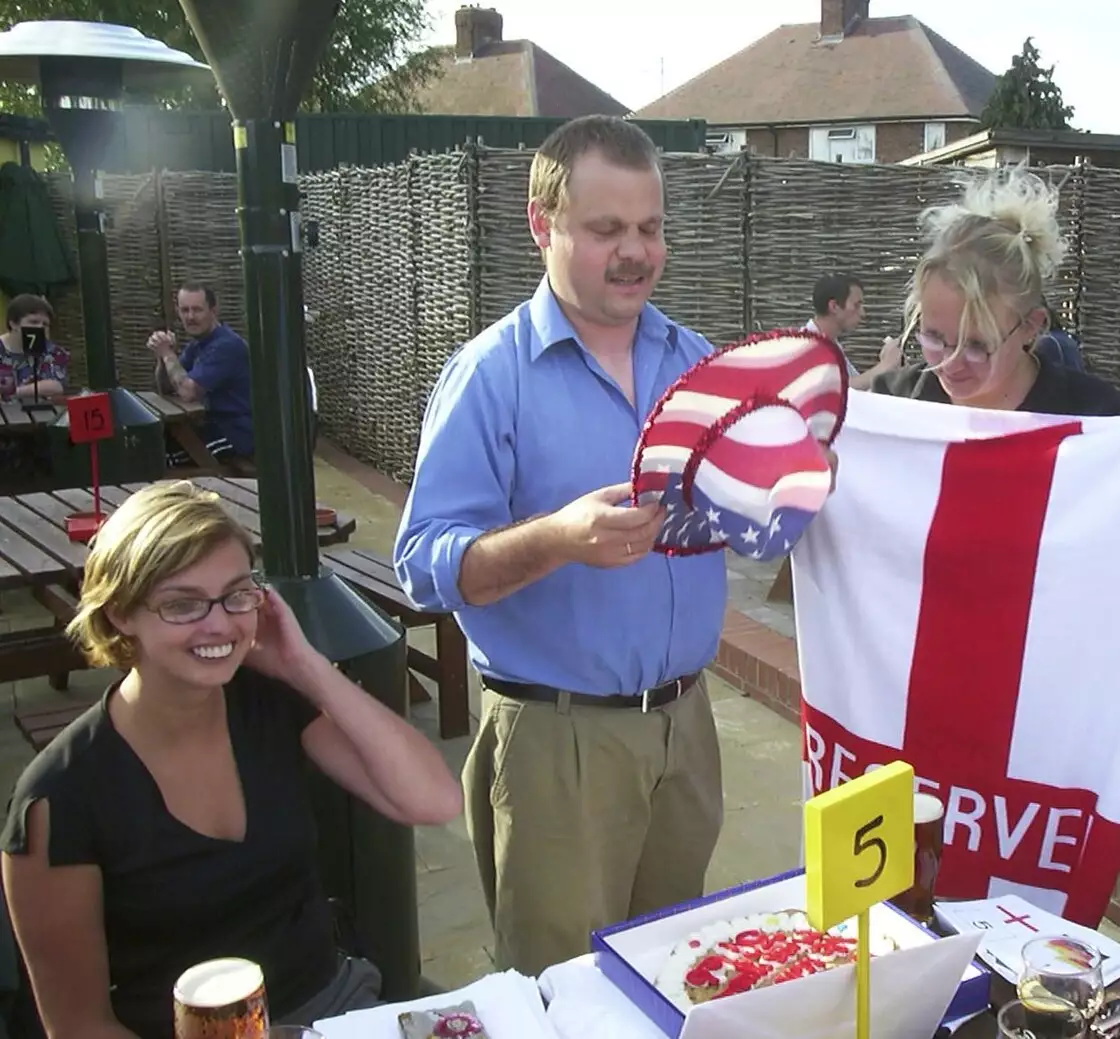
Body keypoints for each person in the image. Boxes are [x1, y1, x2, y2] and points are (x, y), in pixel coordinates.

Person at [396, 114, 780, 977]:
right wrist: (557, 539)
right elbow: (422, 564)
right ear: (544, 224)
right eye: (607, 229)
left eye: (650, 228)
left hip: (686, 728)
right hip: (555, 743)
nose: (636, 251)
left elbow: (754, 506)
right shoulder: (491, 375)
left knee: (675, 973)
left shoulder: (699, 366)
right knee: (561, 996)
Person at [2, 482, 462, 1039]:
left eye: (237, 595)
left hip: (334, 1006)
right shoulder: (60, 798)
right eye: (183, 604)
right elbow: (78, 1025)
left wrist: (305, 667)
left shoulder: (269, 705)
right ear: (121, 613)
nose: (218, 624)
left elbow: (432, 799)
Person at [871, 166, 1120, 434]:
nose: (950, 363)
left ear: (1030, 327)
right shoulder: (887, 407)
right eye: (934, 337)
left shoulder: (1098, 419)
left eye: (976, 345)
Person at [145, 283, 254, 466]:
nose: (190, 317)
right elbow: (166, 387)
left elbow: (188, 392)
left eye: (197, 310)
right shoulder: (198, 345)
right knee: (148, 445)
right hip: (208, 426)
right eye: (184, 310)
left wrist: (167, 354)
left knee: (159, 462)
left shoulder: (226, 346)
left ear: (213, 310)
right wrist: (162, 357)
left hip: (236, 433)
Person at [804, 272, 902, 390]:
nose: (862, 313)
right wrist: (885, 365)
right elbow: (837, 390)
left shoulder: (830, 343)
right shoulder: (806, 347)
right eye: (856, 305)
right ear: (834, 306)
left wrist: (888, 365)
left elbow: (858, 387)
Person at [0, 294, 67, 402]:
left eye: (45, 324)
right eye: (33, 322)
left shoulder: (53, 352)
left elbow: (55, 386)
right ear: (13, 324)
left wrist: (13, 393)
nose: (40, 327)